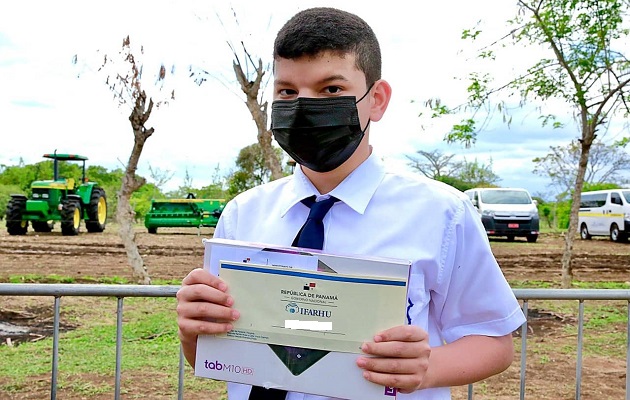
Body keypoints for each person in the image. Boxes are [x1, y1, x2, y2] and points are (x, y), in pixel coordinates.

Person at [176, 6, 526, 399]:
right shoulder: (243, 213)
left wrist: (426, 368)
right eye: (288, 92)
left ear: (376, 99)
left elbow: (494, 342)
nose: (305, 107)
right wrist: (193, 331)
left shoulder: (442, 214)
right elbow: (218, 355)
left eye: (331, 90)